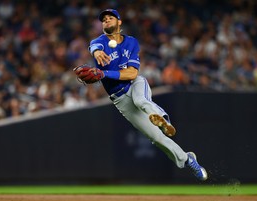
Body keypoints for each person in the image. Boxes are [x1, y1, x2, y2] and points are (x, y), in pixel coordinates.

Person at [88, 9, 208, 181]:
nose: (106, 21)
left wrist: (104, 74)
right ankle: (188, 159)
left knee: (141, 100)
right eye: (104, 19)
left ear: (119, 22)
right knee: (156, 138)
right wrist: (95, 52)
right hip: (120, 99)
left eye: (110, 18)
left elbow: (131, 74)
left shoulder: (131, 42)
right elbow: (94, 46)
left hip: (135, 84)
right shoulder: (98, 43)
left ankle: (164, 120)